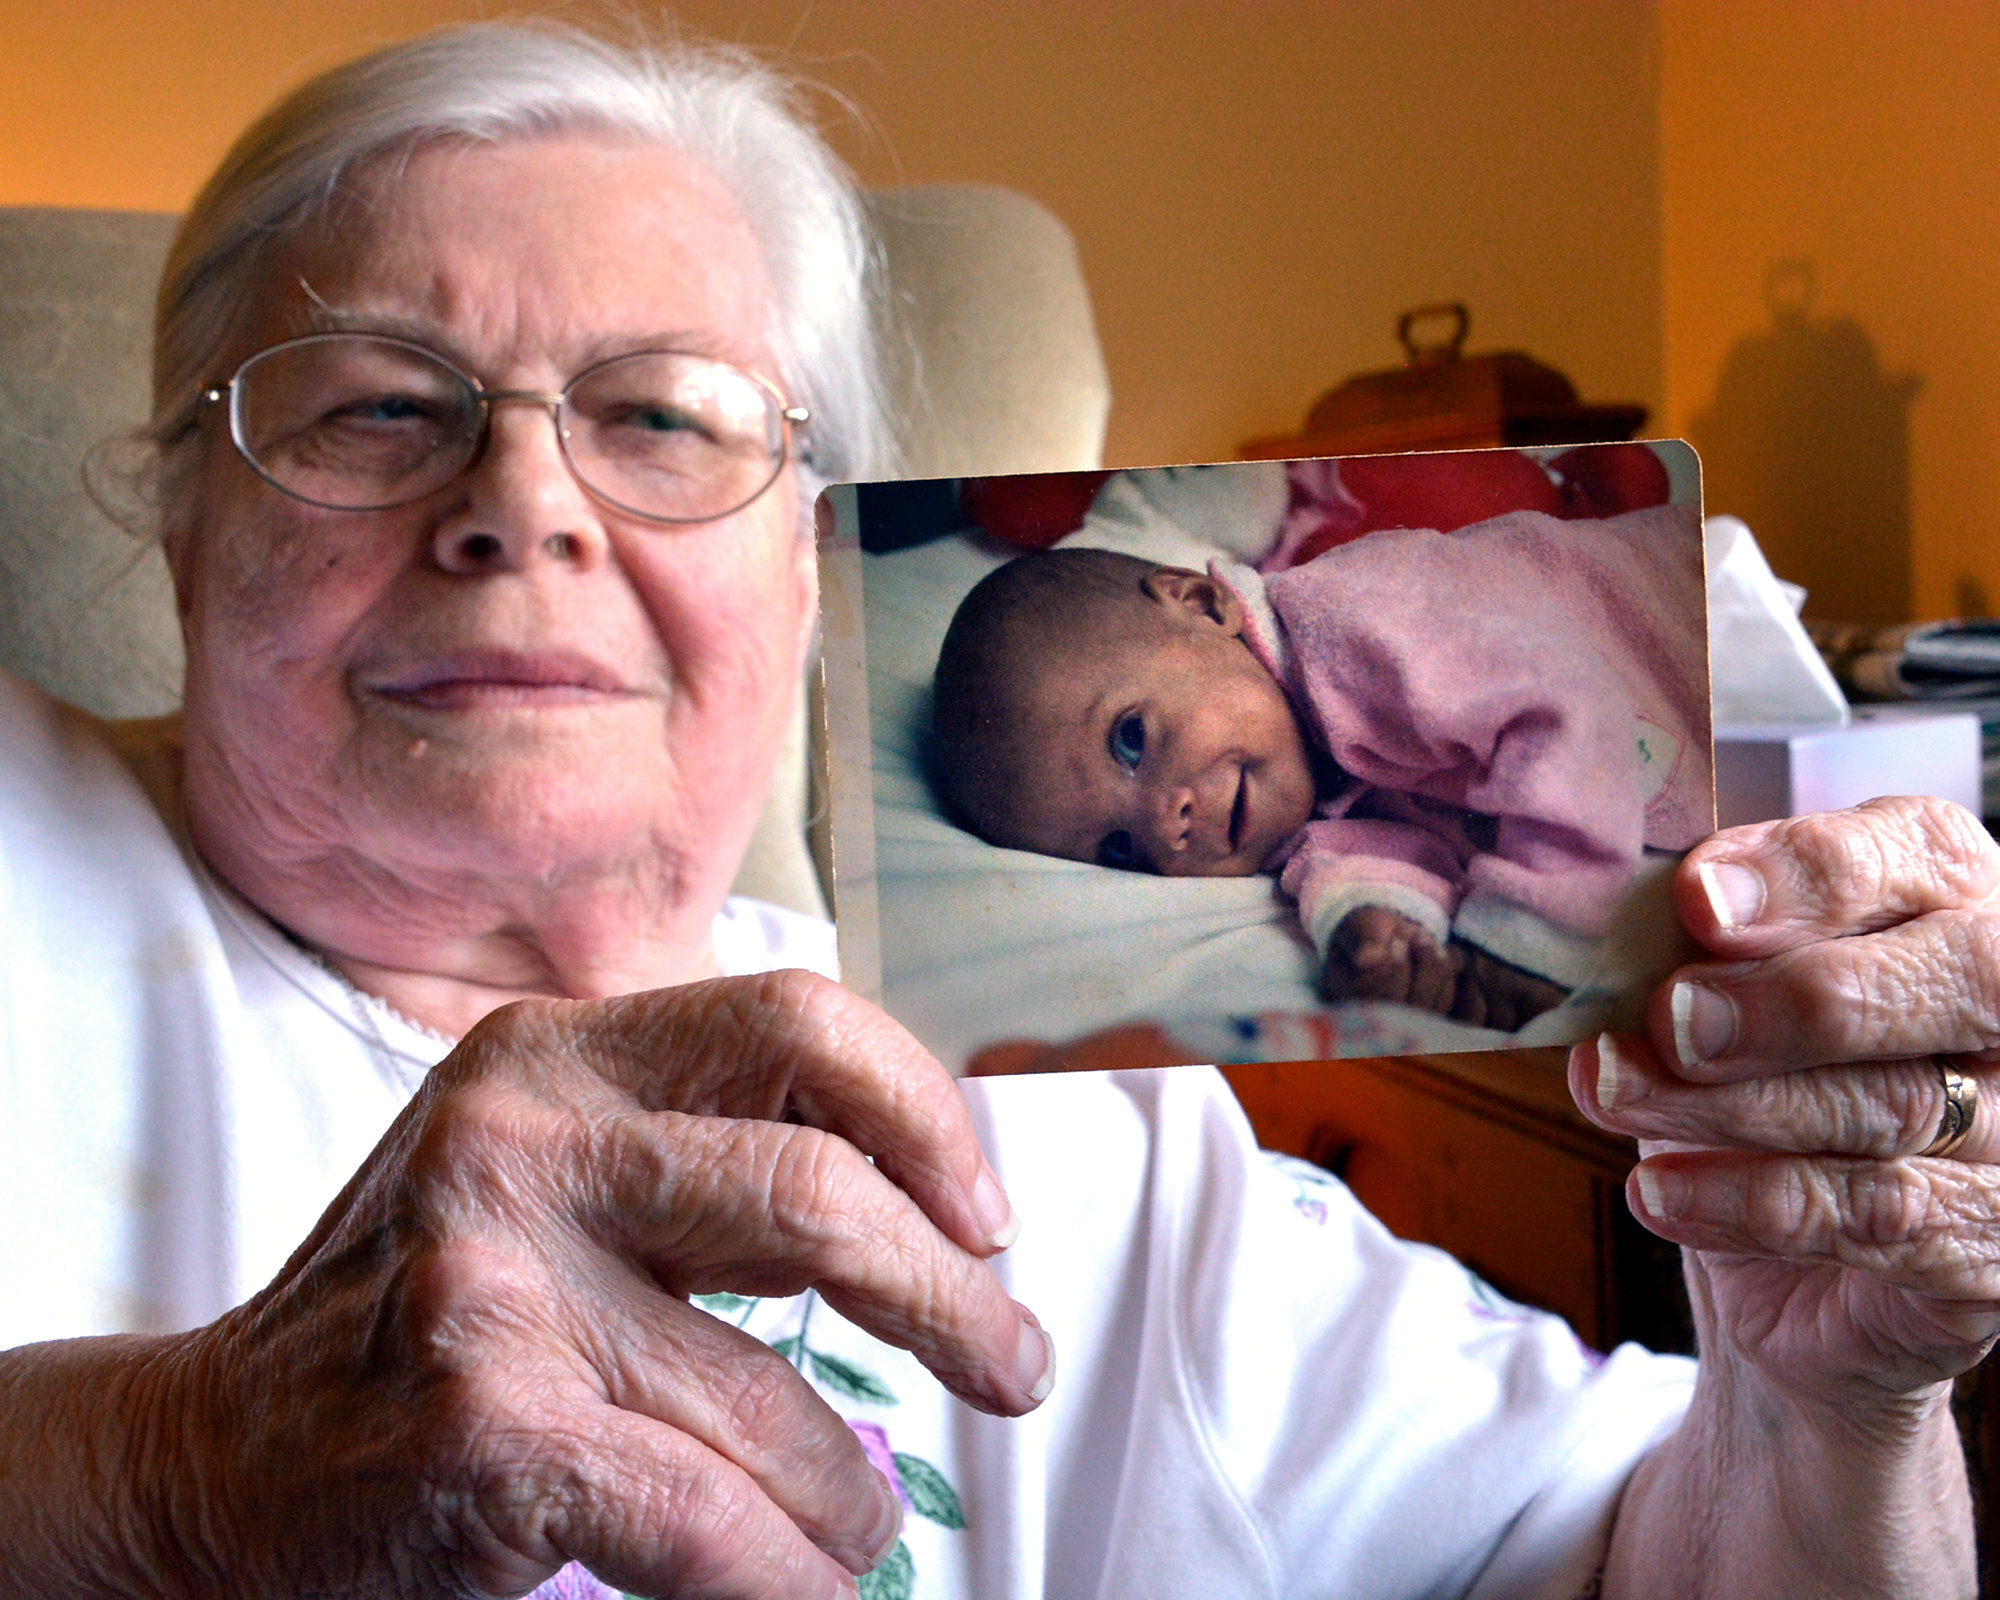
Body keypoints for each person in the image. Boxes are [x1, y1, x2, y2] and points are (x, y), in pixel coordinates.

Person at [0, 19, 1993, 1600]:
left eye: (660, 417)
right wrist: (170, 1474)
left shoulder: (1059, 1100)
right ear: (179, 515)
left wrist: (1826, 1407)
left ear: (804, 566)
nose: (522, 501)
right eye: (371, 402)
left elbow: (1646, 1552)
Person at [929, 505, 1707, 1030]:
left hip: (1696, 617)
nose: (1164, 826)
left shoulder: (1366, 621)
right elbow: (1349, 853)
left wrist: (1527, 942)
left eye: (1130, 738)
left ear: (1201, 605)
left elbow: (1556, 709)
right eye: (1117, 848)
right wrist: (1379, 934)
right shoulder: (1286, 803)